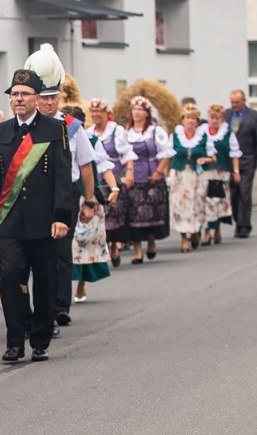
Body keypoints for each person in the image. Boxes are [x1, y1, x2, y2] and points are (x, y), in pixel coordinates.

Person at [0, 50, 74, 363]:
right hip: (10, 224)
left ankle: (41, 338)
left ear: (37, 98)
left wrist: (62, 217)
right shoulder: (0, 132)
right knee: (9, 277)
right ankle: (15, 341)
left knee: (45, 282)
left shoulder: (53, 130)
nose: (18, 99)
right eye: (14, 94)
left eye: (25, 94)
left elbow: (63, 179)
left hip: (44, 223)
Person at [43, 82, 97, 327]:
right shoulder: (27, 127)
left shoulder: (73, 127)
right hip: (36, 198)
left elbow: (85, 165)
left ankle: (61, 306)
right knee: (42, 254)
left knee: (62, 251)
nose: (49, 102)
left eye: (54, 97)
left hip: (67, 195)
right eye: (44, 98)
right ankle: (43, 304)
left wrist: (89, 200)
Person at [119, 95, 172, 265]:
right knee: (133, 214)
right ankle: (137, 250)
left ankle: (150, 240)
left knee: (151, 213)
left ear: (147, 113)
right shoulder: (126, 132)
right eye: (134, 109)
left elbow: (166, 153)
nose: (136, 112)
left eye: (140, 109)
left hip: (151, 177)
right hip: (133, 177)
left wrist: (158, 172)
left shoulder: (155, 131)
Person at [87, 99, 134, 267]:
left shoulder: (117, 131)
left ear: (107, 113)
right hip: (97, 178)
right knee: (103, 215)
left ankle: (115, 245)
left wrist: (129, 171)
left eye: (99, 111)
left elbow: (128, 153)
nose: (95, 115)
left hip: (114, 174)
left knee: (116, 213)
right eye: (92, 112)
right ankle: (106, 246)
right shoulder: (89, 132)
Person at [226, 90, 257, 238]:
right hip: (231, 162)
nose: (234, 105)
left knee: (245, 193)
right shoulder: (226, 115)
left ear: (244, 101)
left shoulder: (255, 117)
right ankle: (238, 221)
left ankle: (244, 226)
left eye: (237, 102)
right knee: (233, 195)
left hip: (248, 159)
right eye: (232, 102)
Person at [199, 103, 243, 246]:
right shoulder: (202, 132)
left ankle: (216, 228)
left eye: (218, 118)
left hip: (221, 172)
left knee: (217, 201)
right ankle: (206, 232)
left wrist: (235, 171)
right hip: (204, 172)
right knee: (204, 201)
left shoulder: (227, 133)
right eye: (212, 118)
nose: (214, 121)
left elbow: (234, 154)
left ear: (222, 119)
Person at [168, 103, 208, 253]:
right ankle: (184, 238)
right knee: (179, 206)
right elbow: (168, 155)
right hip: (179, 174)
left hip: (197, 175)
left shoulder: (203, 137)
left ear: (198, 121)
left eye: (194, 119)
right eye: (187, 118)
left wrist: (206, 160)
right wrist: (167, 174)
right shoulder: (175, 135)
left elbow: (212, 156)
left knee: (197, 204)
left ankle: (196, 230)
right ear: (182, 120)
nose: (190, 121)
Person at [70, 198, 111, 303]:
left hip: (85, 198)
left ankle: (81, 281)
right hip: (61, 195)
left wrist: (88, 202)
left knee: (83, 245)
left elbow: (92, 180)